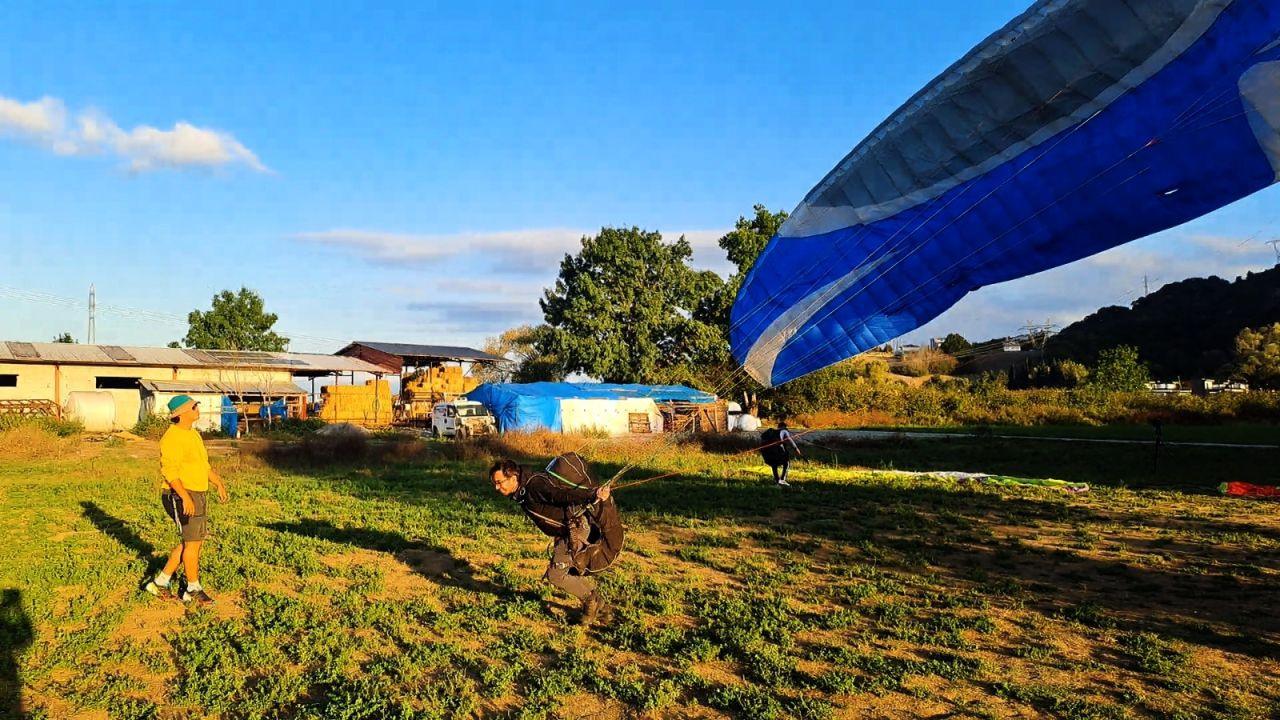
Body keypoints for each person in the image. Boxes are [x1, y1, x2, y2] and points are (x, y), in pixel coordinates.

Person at [489, 454, 622, 624]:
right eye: (495, 483)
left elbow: (560, 495)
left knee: (556, 575)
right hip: (565, 532)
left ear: (513, 477)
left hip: (573, 530)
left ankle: (593, 602)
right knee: (563, 572)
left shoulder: (534, 485)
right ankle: (602, 609)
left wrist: (591, 495)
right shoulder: (524, 488)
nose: (496, 487)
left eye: (499, 483)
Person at [143, 395, 229, 604]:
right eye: (194, 406)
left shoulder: (193, 434)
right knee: (193, 544)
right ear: (181, 414)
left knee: (191, 542)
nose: (197, 408)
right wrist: (185, 498)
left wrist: (218, 483)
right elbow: (169, 472)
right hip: (180, 495)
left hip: (197, 493)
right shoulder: (171, 438)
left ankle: (161, 582)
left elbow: (203, 465)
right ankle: (192, 588)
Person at [760, 421, 802, 486]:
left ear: (778, 426)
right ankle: (782, 479)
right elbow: (790, 440)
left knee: (774, 465)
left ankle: (777, 481)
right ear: (784, 427)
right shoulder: (784, 431)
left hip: (768, 454)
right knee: (786, 463)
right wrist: (796, 449)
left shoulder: (772, 432)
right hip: (777, 452)